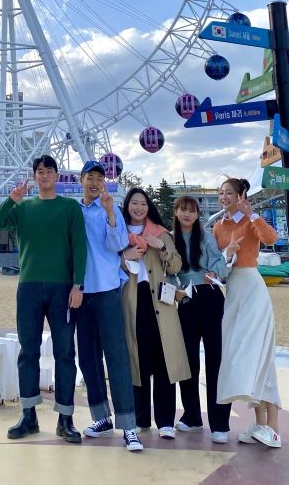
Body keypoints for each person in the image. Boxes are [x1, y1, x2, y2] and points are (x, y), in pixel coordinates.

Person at [0, 154, 87, 443]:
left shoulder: (70, 208)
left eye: (48, 171)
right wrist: (11, 200)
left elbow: (79, 248)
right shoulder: (24, 208)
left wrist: (77, 285)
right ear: (34, 177)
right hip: (29, 286)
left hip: (62, 288)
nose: (44, 176)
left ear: (57, 176)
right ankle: (28, 415)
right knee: (28, 350)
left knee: (65, 353)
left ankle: (65, 418)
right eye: (39, 172)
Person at [76, 161, 143, 452]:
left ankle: (129, 426)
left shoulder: (110, 208)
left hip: (106, 289)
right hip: (80, 292)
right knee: (87, 358)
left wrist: (108, 212)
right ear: (81, 180)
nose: (94, 182)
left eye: (99, 178)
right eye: (90, 177)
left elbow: (117, 244)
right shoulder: (72, 211)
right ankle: (100, 418)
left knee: (116, 356)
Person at [214, 177, 282, 449]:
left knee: (261, 354)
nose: (224, 197)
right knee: (243, 355)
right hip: (232, 291)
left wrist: (252, 213)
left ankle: (273, 429)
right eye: (221, 193)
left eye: (229, 192)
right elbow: (218, 264)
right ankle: (260, 424)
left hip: (253, 288)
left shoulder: (251, 221)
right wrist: (225, 257)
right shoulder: (219, 226)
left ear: (241, 194)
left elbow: (271, 238)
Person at [120, 188, 190, 439]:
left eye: (143, 204)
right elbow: (106, 261)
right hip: (131, 302)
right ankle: (140, 418)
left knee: (163, 361)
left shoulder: (161, 233)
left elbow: (176, 265)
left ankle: (165, 421)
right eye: (134, 203)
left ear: (149, 207)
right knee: (137, 361)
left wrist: (160, 246)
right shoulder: (118, 233)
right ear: (127, 206)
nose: (138, 208)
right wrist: (124, 256)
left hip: (160, 303)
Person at [172, 195, 231, 444]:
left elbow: (221, 263)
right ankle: (192, 416)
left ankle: (220, 423)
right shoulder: (170, 238)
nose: (187, 214)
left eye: (192, 211)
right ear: (175, 212)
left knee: (216, 358)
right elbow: (166, 270)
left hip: (210, 296)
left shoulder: (206, 236)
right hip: (185, 300)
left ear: (198, 214)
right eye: (183, 210)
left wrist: (214, 273)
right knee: (188, 360)